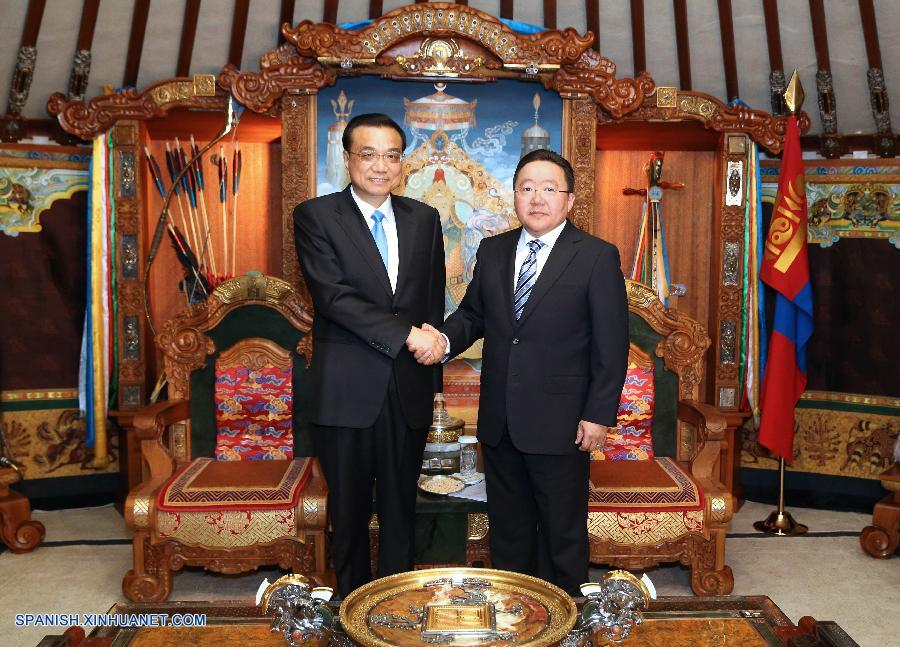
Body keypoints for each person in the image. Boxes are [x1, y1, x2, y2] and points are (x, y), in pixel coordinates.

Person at [423, 149, 628, 595]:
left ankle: (568, 622)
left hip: (563, 423)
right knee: (510, 534)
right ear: (514, 195)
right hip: (500, 421)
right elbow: (472, 316)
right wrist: (441, 340)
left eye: (549, 189)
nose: (537, 198)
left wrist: (598, 415)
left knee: (562, 535)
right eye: (527, 188)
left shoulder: (595, 256)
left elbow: (611, 346)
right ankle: (518, 617)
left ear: (570, 200)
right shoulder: (494, 251)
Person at [293, 113, 446, 597]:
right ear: (348, 158)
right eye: (368, 153)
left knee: (402, 505)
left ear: (403, 161)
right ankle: (352, 607)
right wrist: (407, 336)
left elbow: (432, 298)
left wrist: (433, 349)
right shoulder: (316, 216)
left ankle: (397, 602)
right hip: (346, 388)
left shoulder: (425, 219)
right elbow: (333, 297)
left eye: (392, 155)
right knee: (350, 509)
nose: (380, 165)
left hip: (408, 388)